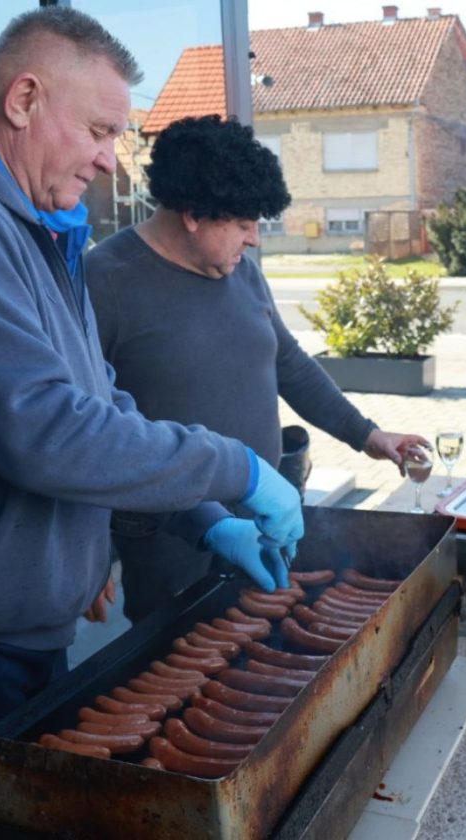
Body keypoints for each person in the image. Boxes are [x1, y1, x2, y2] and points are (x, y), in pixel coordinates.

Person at [0, 8, 304, 789]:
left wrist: (205, 517)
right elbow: (43, 431)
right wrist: (231, 466)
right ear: (24, 99)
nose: (111, 162)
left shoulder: (26, 222)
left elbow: (97, 400)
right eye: (101, 130)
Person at [86, 114, 429, 623]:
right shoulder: (105, 280)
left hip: (264, 515)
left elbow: (288, 363)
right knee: (183, 669)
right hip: (167, 535)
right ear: (194, 215)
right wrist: (88, 555)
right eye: (244, 224)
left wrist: (368, 435)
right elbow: (85, 429)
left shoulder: (241, 272)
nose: (254, 240)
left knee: (268, 645)